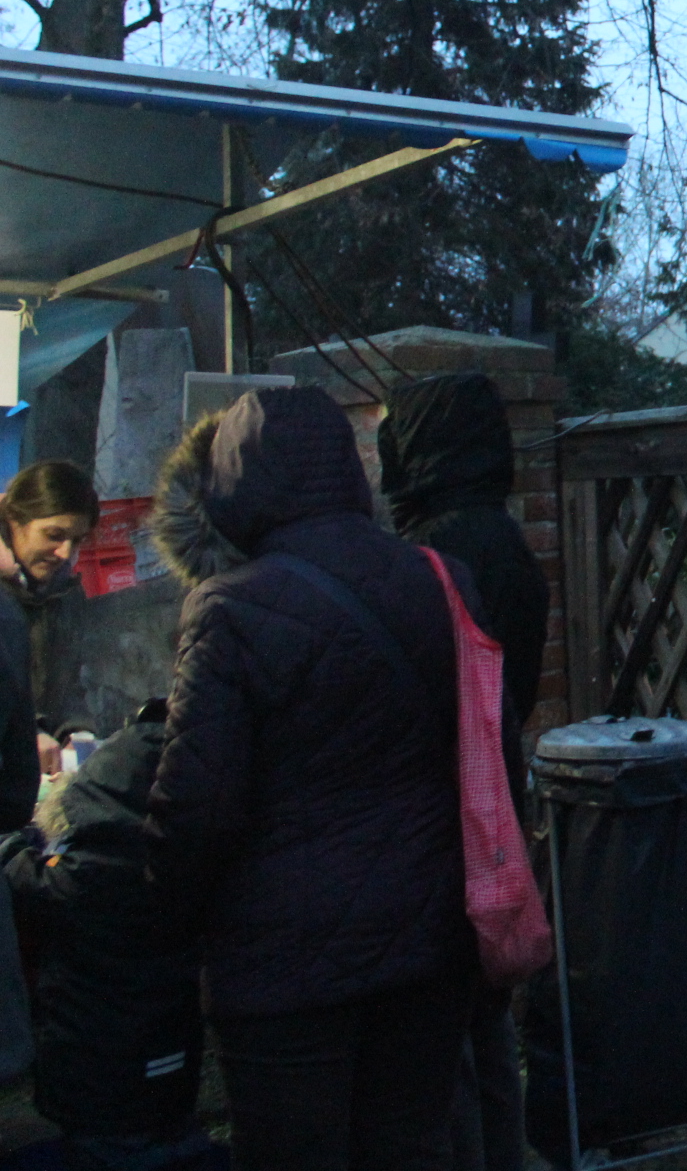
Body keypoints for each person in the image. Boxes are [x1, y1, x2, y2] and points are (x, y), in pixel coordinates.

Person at [145, 386, 478, 1169]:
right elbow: (482, 754)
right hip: (430, 937)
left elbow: (199, 805)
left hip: (283, 966)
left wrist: (164, 916)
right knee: (406, 1152)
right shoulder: (444, 579)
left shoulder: (228, 607)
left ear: (233, 482)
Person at [374, 374, 545, 1171]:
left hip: (445, 812)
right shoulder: (503, 539)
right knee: (487, 1021)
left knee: (449, 1040)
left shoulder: (437, 553)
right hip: (494, 797)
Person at [4, 698, 220, 1171]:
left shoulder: (74, 878)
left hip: (90, 1086)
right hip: (174, 1072)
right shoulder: (193, 870)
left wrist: (15, 843)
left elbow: (18, 875)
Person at [0, 460, 98, 818]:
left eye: (76, 540)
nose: (65, 553)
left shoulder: (64, 593)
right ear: (15, 521)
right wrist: (31, 731)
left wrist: (74, 731)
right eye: (54, 535)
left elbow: (66, 680)